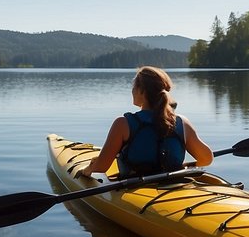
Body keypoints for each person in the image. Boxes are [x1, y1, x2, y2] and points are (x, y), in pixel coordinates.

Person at [79, 66, 214, 178]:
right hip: (174, 184)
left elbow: (101, 167)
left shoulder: (123, 124)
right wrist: (182, 167)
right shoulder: (182, 122)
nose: (132, 90)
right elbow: (207, 159)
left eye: (133, 86)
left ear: (142, 91)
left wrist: (87, 169)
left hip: (135, 189)